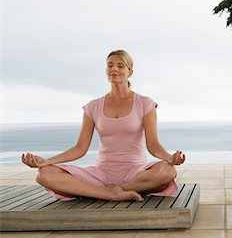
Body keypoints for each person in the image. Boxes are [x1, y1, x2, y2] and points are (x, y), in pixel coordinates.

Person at [22, 50, 185, 202]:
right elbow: (80, 148)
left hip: (136, 172)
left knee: (167, 171)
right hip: (102, 172)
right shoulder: (93, 107)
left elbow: (153, 145)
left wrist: (168, 158)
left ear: (130, 72)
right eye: (110, 65)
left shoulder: (144, 103)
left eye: (120, 66)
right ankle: (109, 194)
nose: (114, 69)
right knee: (44, 174)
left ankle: (114, 190)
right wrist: (46, 162)